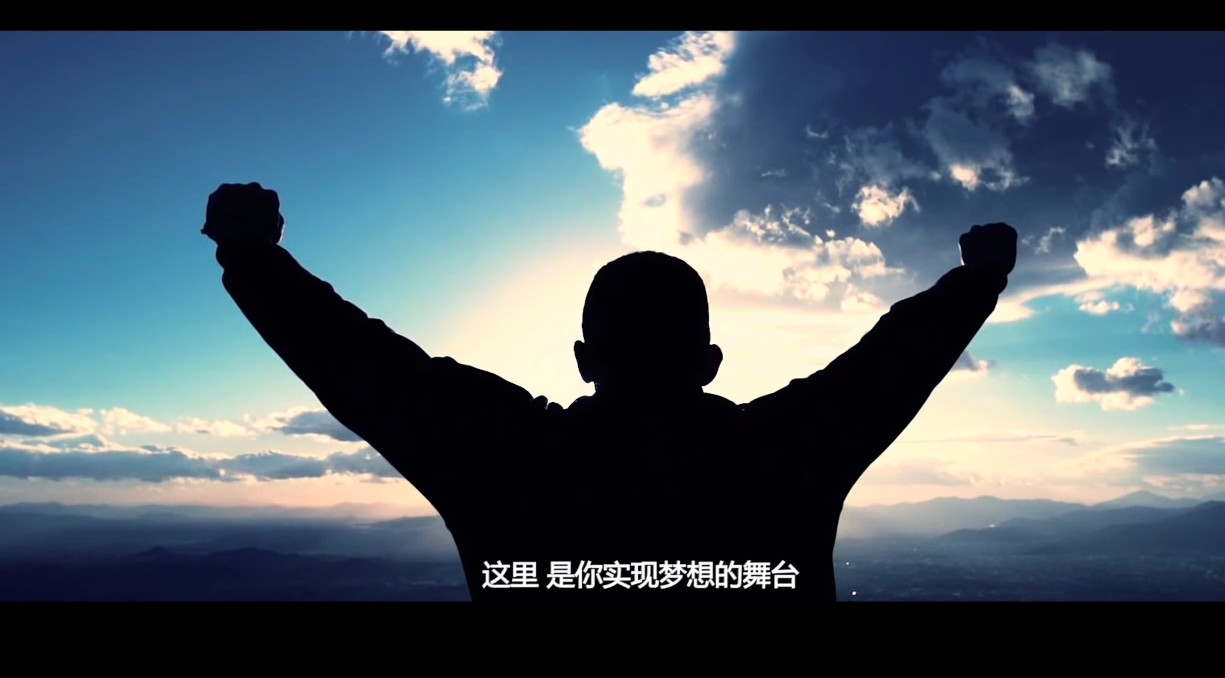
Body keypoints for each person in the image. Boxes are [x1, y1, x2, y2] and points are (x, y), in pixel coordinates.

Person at [203, 182, 1017, 602]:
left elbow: (361, 362)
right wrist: (979, 278)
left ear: (583, 359)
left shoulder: (503, 457)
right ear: (710, 362)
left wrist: (249, 251)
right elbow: (892, 362)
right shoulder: (787, 452)